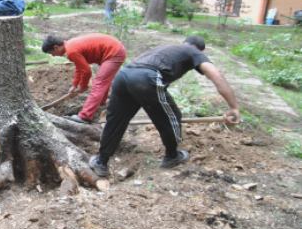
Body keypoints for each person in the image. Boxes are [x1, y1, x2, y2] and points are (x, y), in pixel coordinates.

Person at [89, 36, 240, 176]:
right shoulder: (194, 52)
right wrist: (234, 107)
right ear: (200, 50)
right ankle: (172, 156)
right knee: (172, 116)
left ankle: (101, 162)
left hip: (124, 75)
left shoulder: (168, 48)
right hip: (145, 78)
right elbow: (216, 75)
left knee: (116, 121)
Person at [42, 33, 127, 124]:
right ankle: (101, 103)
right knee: (102, 82)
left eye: (51, 53)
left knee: (99, 83)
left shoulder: (71, 51)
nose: (53, 56)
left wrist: (83, 86)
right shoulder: (70, 47)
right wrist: (75, 85)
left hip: (114, 52)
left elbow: (87, 71)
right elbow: (80, 68)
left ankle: (85, 116)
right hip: (113, 50)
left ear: (56, 47)